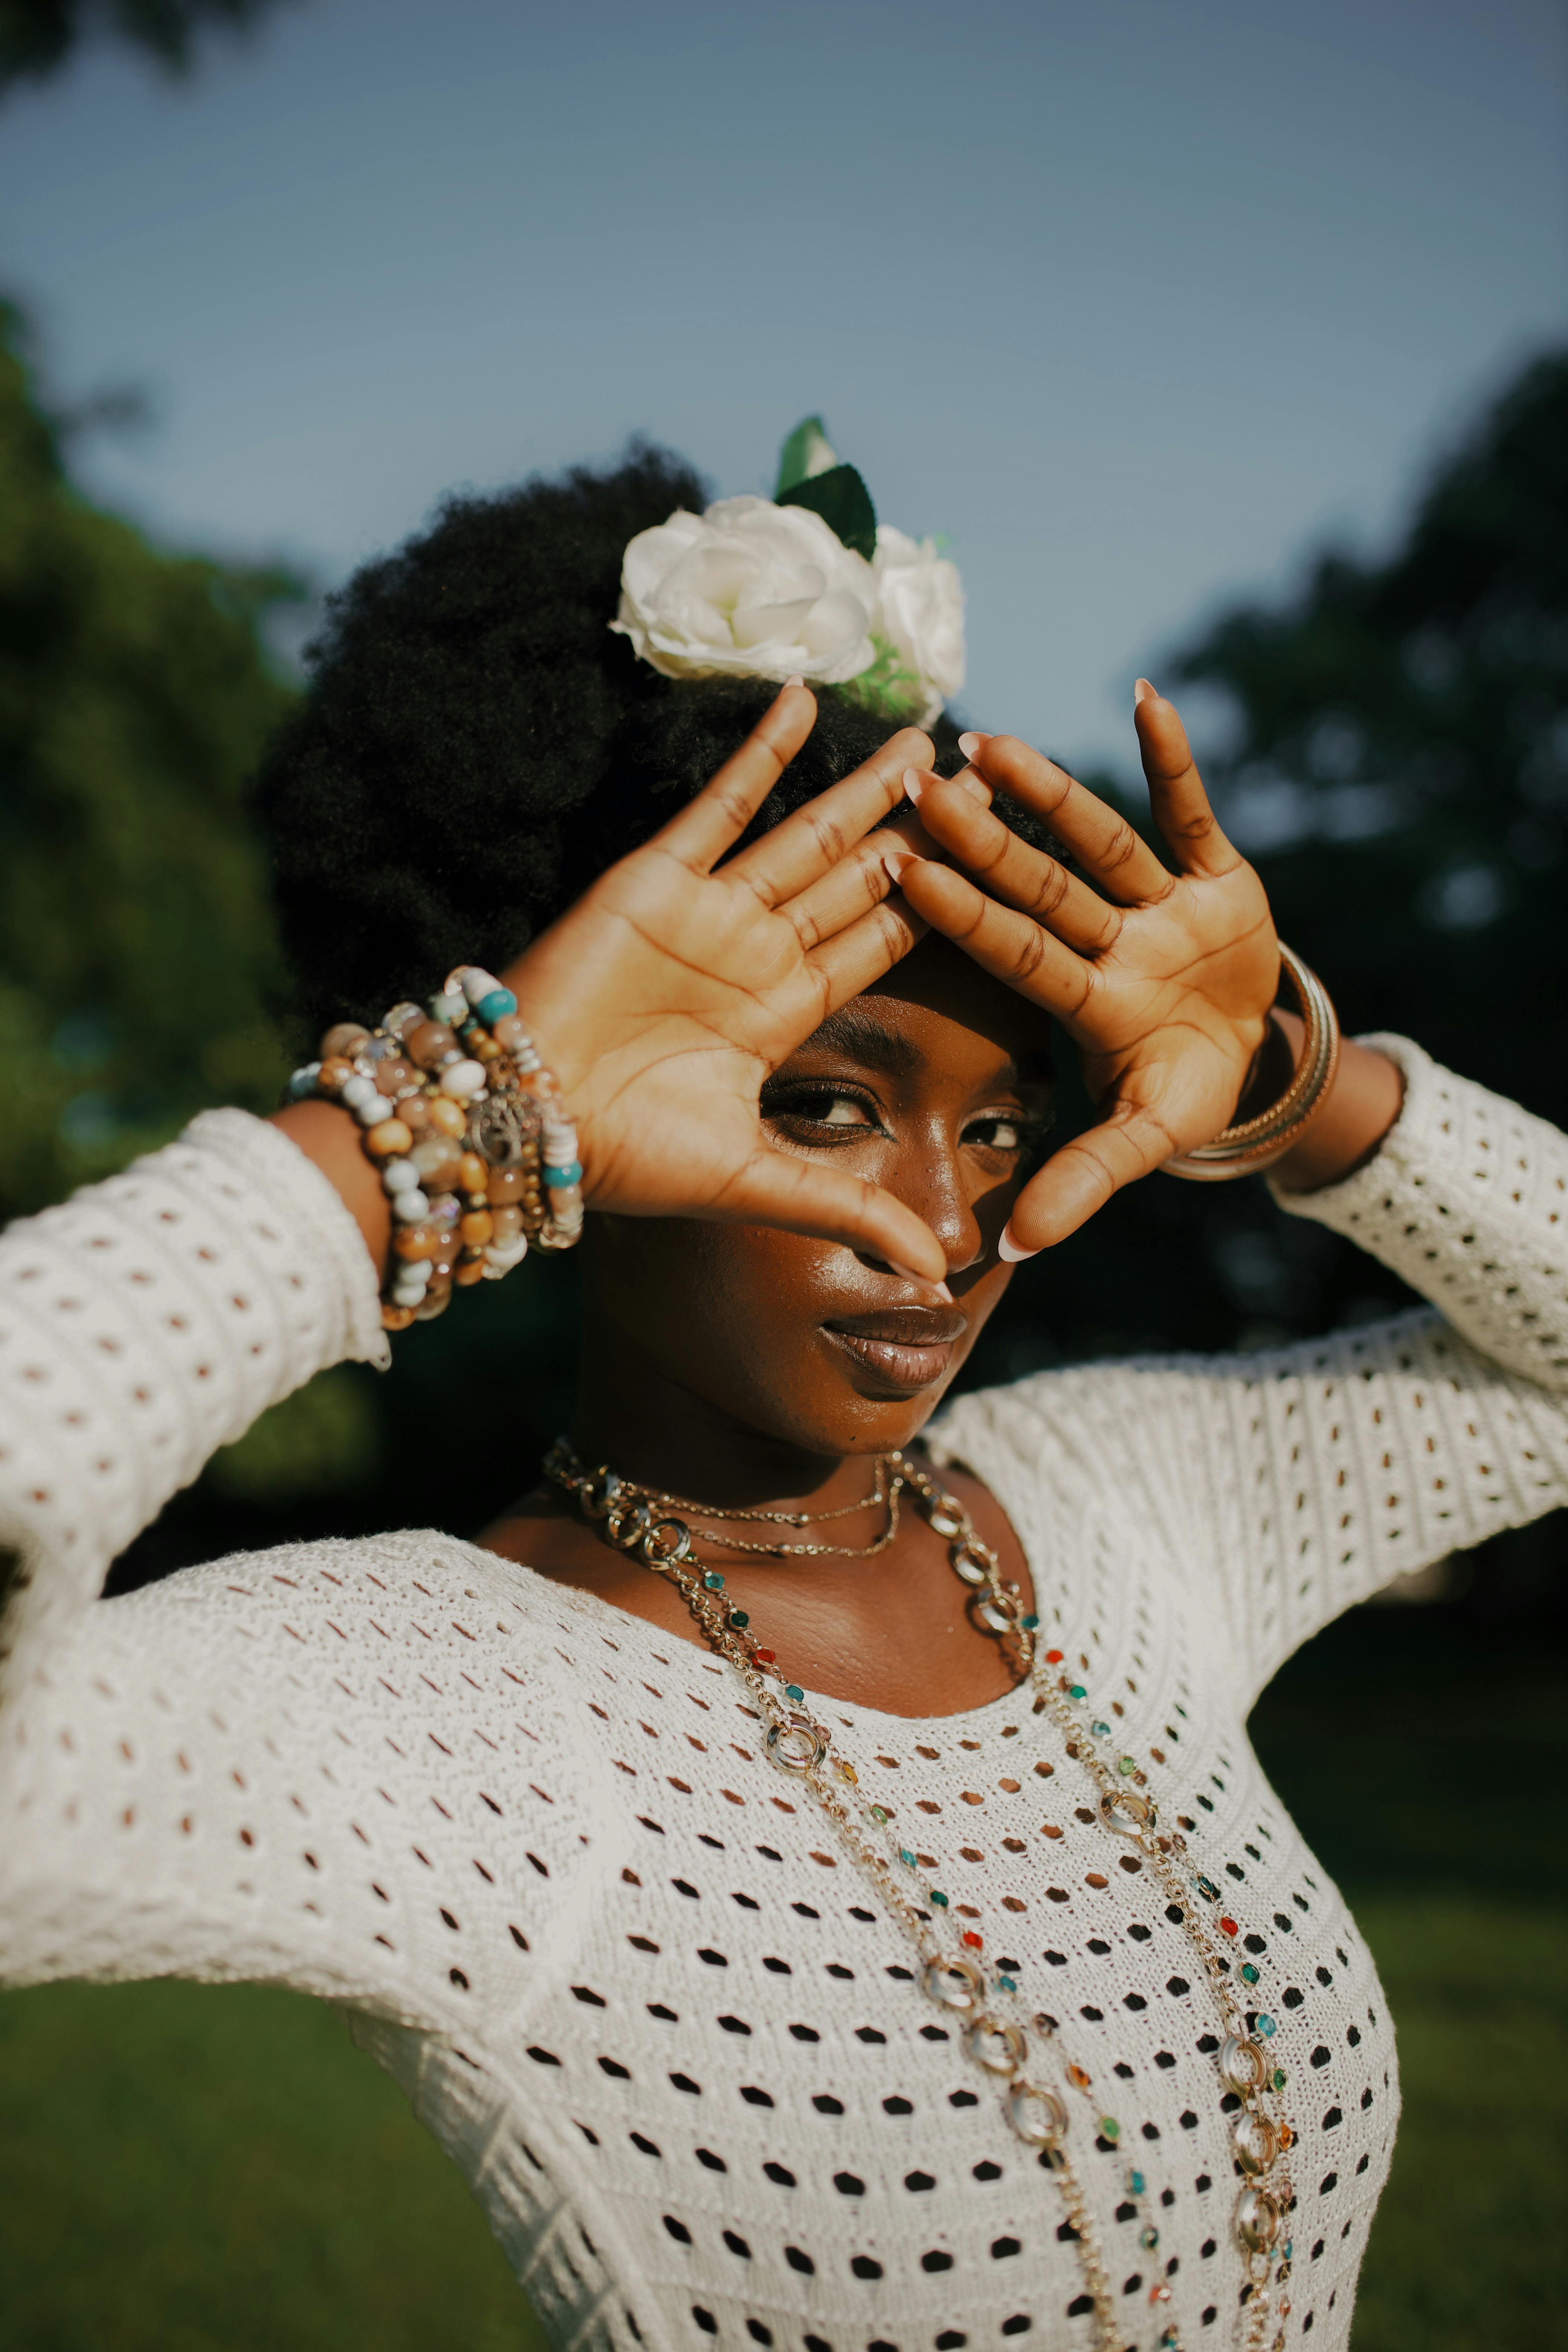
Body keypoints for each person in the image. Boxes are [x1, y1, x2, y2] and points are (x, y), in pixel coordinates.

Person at [2, 444, 1564, 2352]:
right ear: (595, 1104)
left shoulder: (1127, 1501)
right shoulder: (447, 1714)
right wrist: (422, 1145)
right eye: (822, 1102)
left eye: (1001, 1126)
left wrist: (1291, 1092)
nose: (941, 1226)